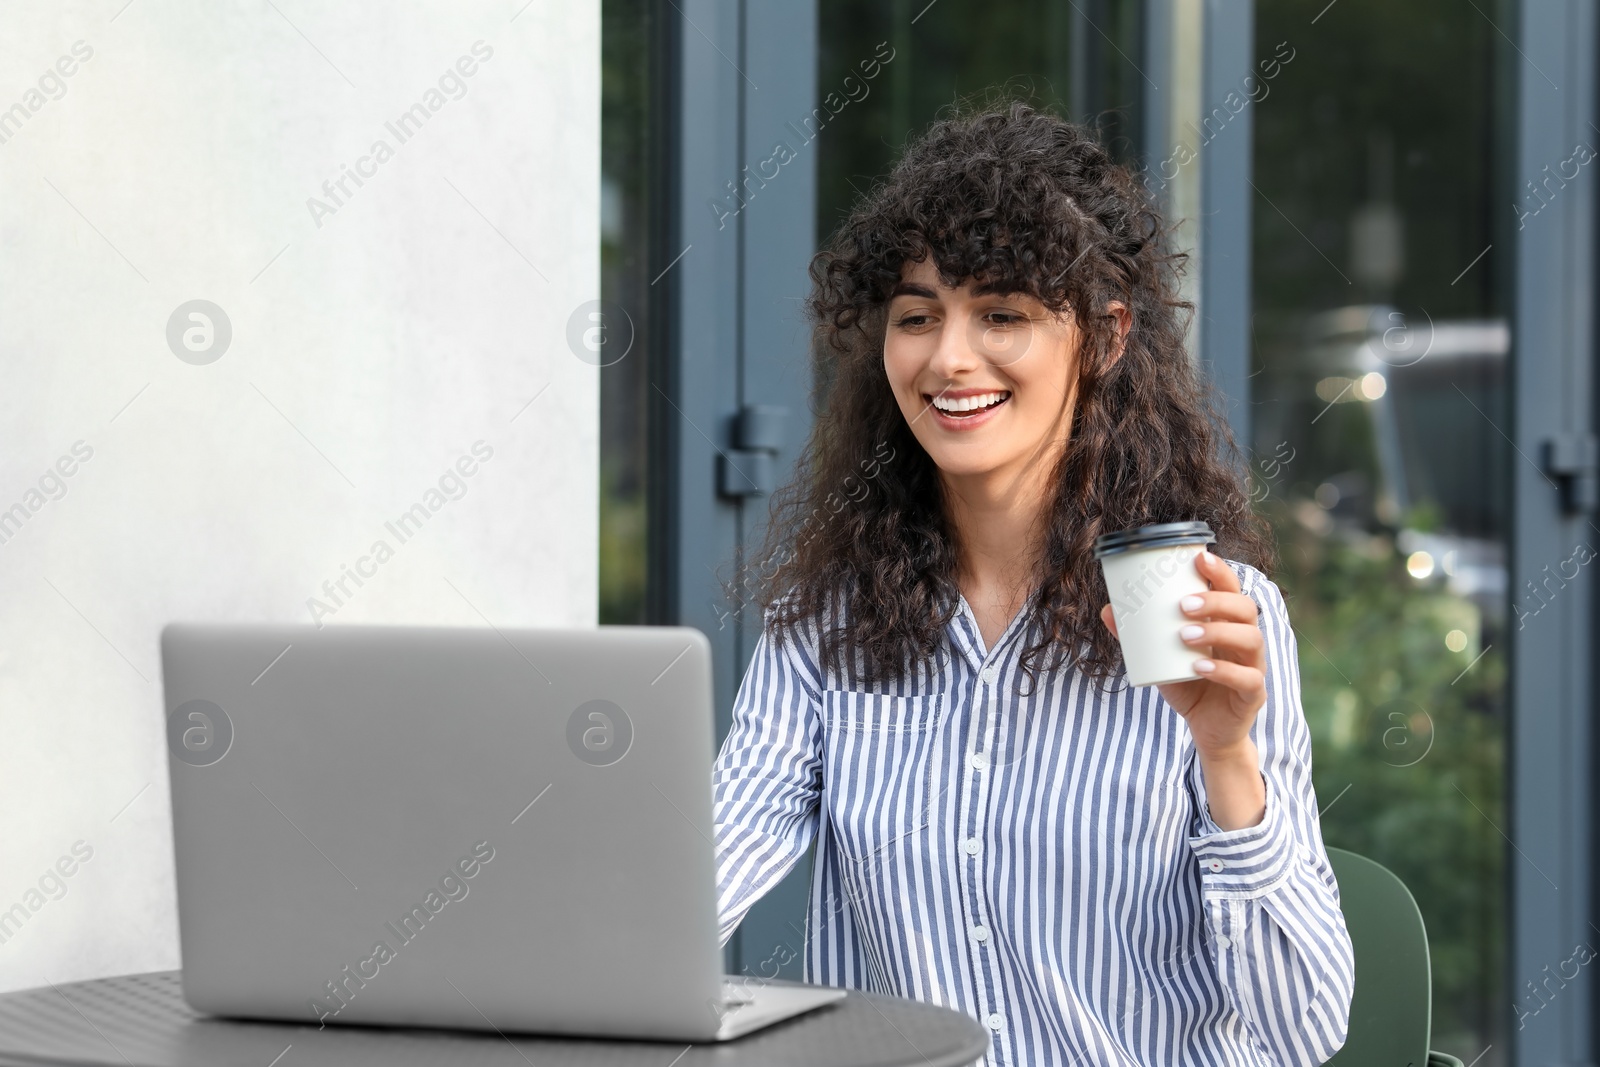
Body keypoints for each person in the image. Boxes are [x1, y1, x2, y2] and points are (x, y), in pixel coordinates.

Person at [711, 101, 1353, 1066]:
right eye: (916, 315)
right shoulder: (825, 625)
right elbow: (699, 881)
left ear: (1103, 336)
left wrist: (1226, 756)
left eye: (1002, 312)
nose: (949, 357)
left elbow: (1303, 1031)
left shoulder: (1211, 616)